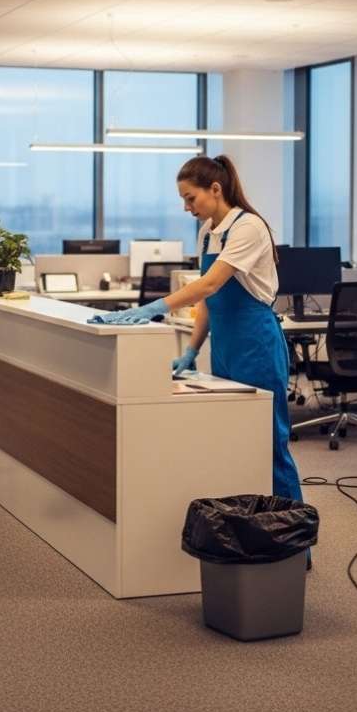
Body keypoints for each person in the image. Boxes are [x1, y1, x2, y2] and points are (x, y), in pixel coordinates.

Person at [91, 155, 302, 502]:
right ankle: (252, 529)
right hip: (225, 346)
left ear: (215, 189)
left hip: (256, 345)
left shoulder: (248, 227)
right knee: (234, 441)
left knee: (268, 442)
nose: (187, 207)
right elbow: (208, 302)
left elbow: (209, 284)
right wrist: (191, 349)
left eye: (191, 198)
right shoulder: (208, 233)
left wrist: (154, 308)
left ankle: (296, 545)